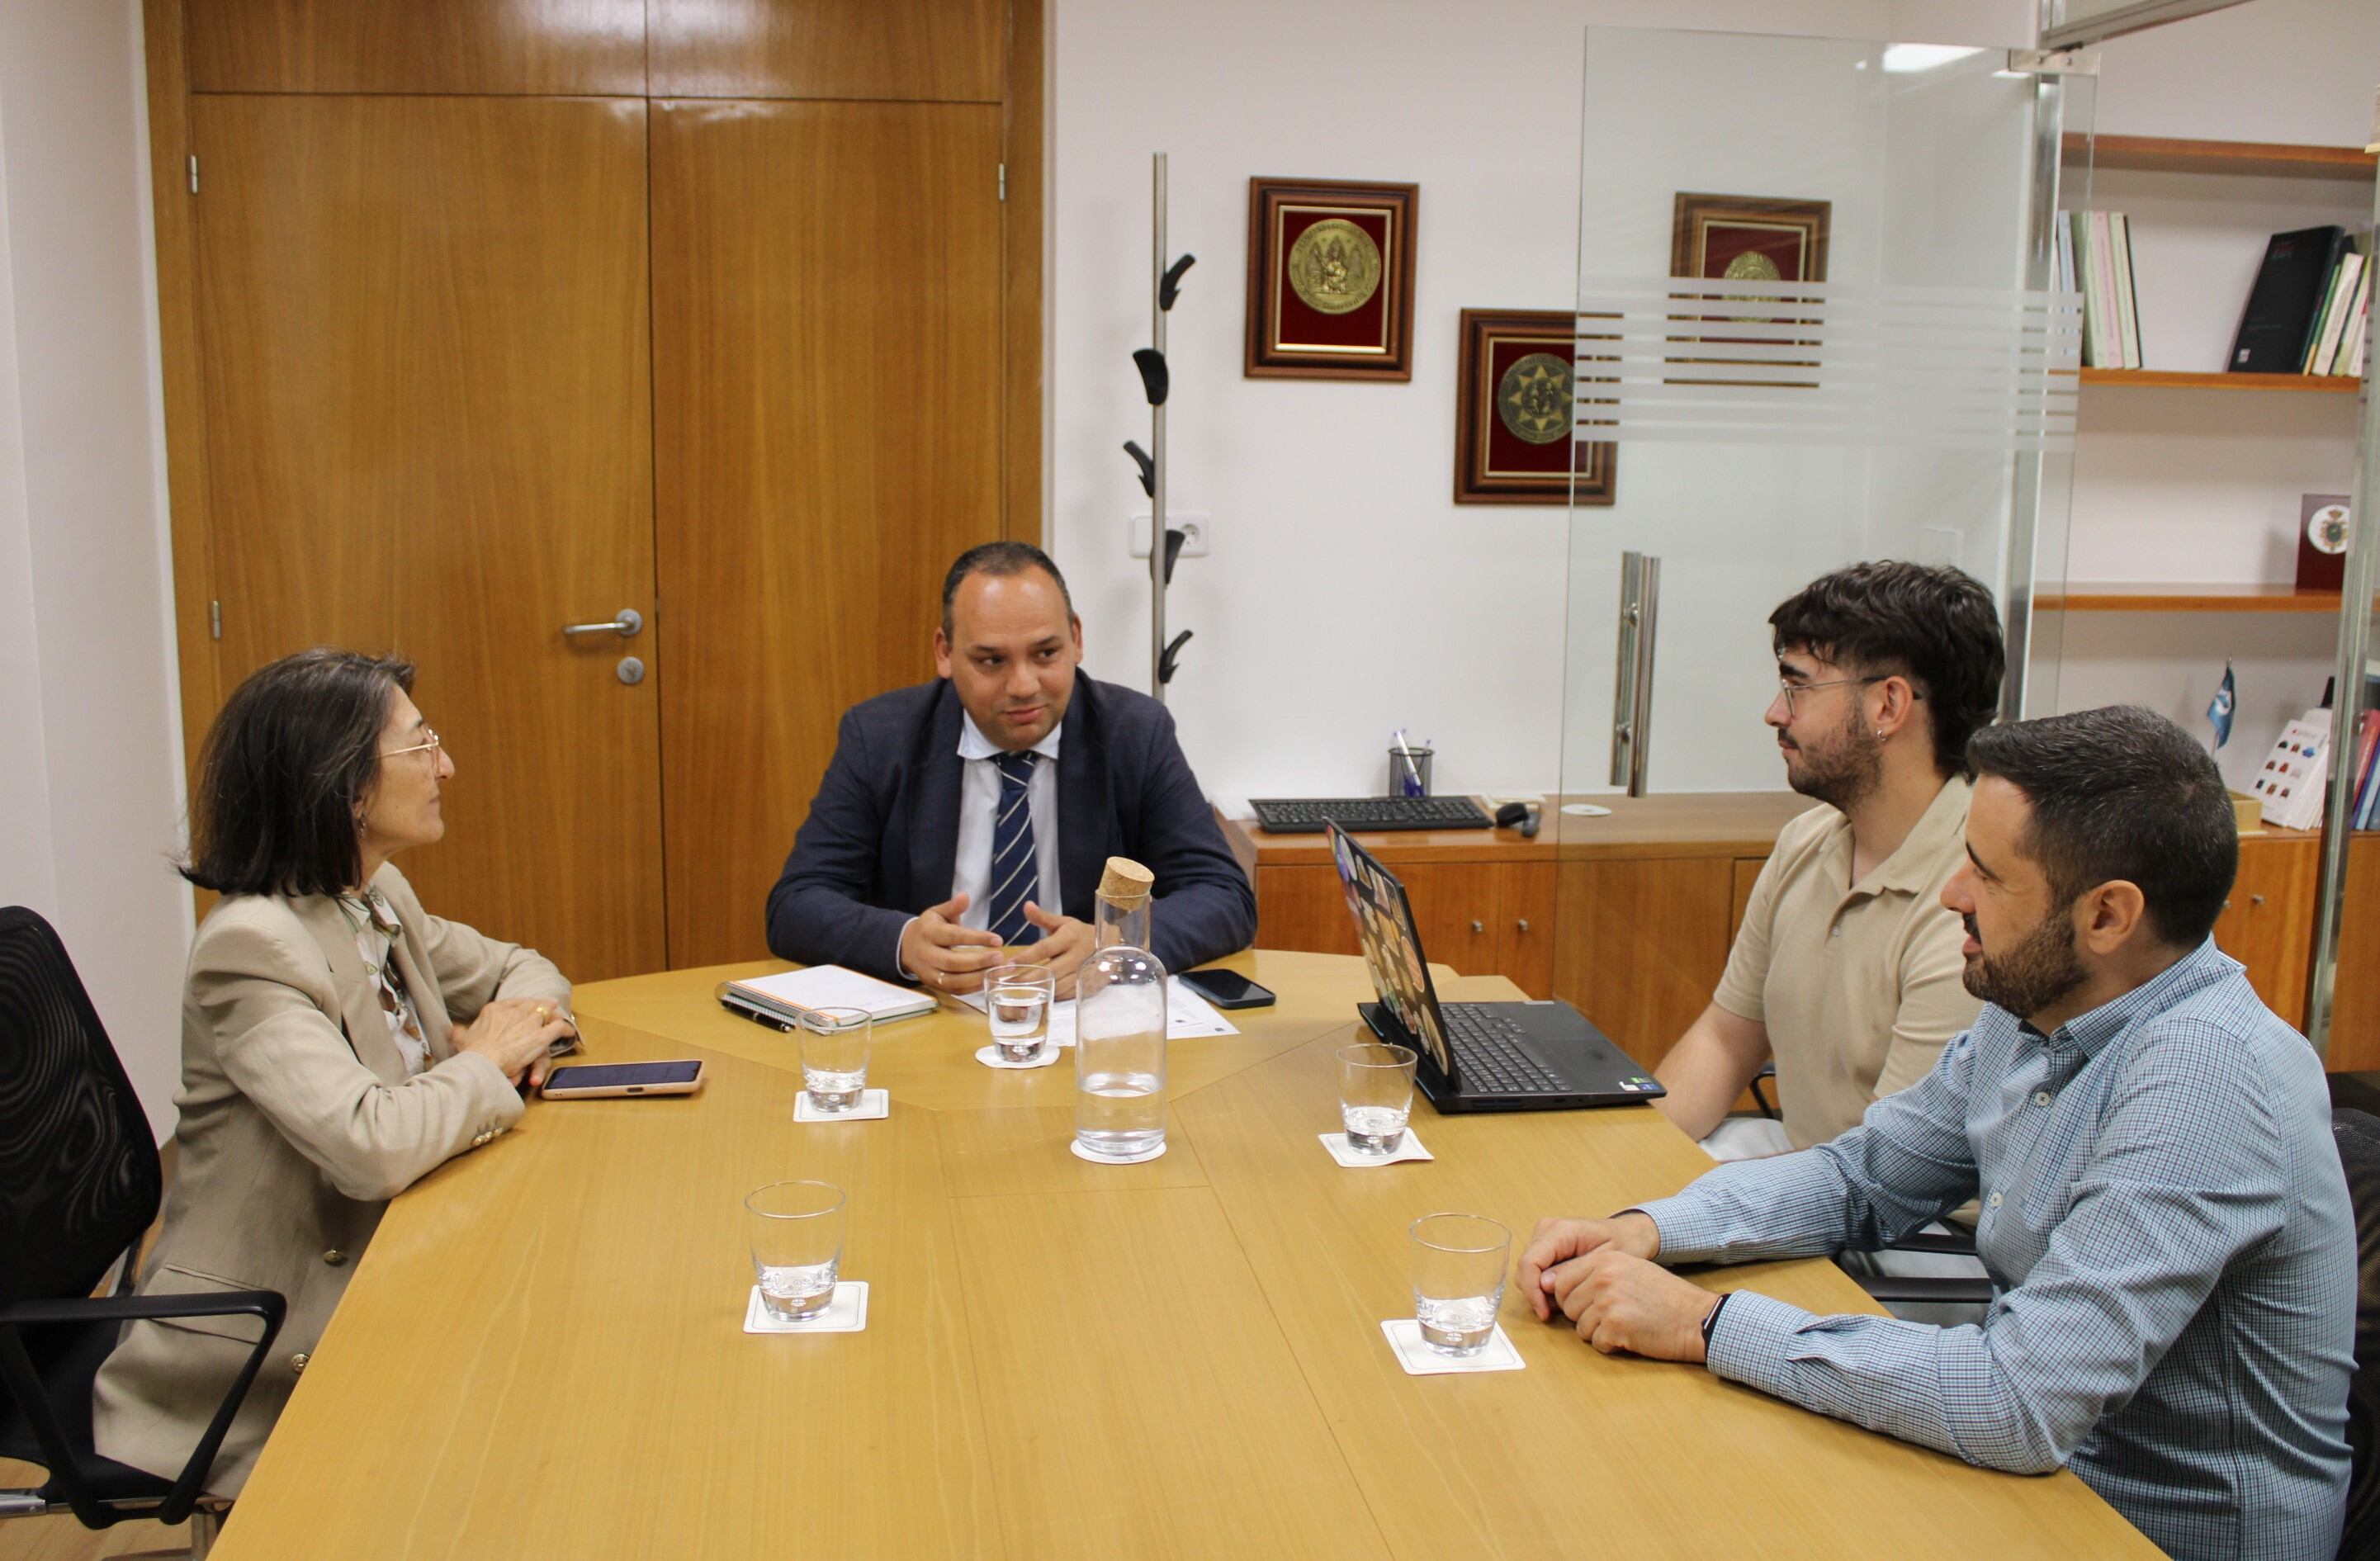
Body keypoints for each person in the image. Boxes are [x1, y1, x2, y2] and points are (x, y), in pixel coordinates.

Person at [1518, 706, 2354, 1561]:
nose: (1953, 892)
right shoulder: (2042, 1002)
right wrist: (1649, 1230)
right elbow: (1862, 1174)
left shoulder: (2209, 1078)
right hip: (2035, 1486)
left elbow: (2021, 1399)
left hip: (2141, 1531)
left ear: (2108, 916)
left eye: (1988, 875)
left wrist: (1705, 1323)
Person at [94, 650, 580, 1495]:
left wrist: (515, 1029)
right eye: (421, 746)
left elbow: (522, 967)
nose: (447, 767)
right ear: (346, 787)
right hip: (261, 1345)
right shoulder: (252, 949)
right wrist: (486, 1061)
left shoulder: (373, 890)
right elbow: (371, 1146)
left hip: (387, 1254)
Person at [766, 542, 1256, 994]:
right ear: (945, 653)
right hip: (938, 1011)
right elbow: (797, 904)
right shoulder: (880, 737)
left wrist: (1112, 945)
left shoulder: (1135, 732)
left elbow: (1224, 895)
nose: (1023, 685)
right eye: (991, 661)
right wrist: (905, 941)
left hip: (1079, 1015)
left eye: (1046, 654)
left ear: (1077, 638)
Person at [1654, 561, 2004, 1161]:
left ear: (1887, 705)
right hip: (1809, 1167)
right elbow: (1726, 1037)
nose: (1775, 711)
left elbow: (1886, 1176)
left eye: (1798, 687)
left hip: (1902, 1232)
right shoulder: (1807, 840)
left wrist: (1664, 1225)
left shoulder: (1975, 899)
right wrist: (1623, 1162)